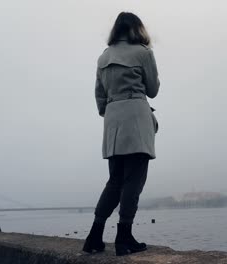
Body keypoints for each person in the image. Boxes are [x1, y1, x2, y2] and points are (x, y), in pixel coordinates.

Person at [83, 12, 160, 256]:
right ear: (138, 29)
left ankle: (94, 235)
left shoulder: (103, 57)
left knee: (115, 181)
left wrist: (112, 112)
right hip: (136, 117)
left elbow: (99, 97)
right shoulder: (143, 53)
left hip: (113, 121)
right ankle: (124, 237)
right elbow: (153, 89)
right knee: (133, 181)